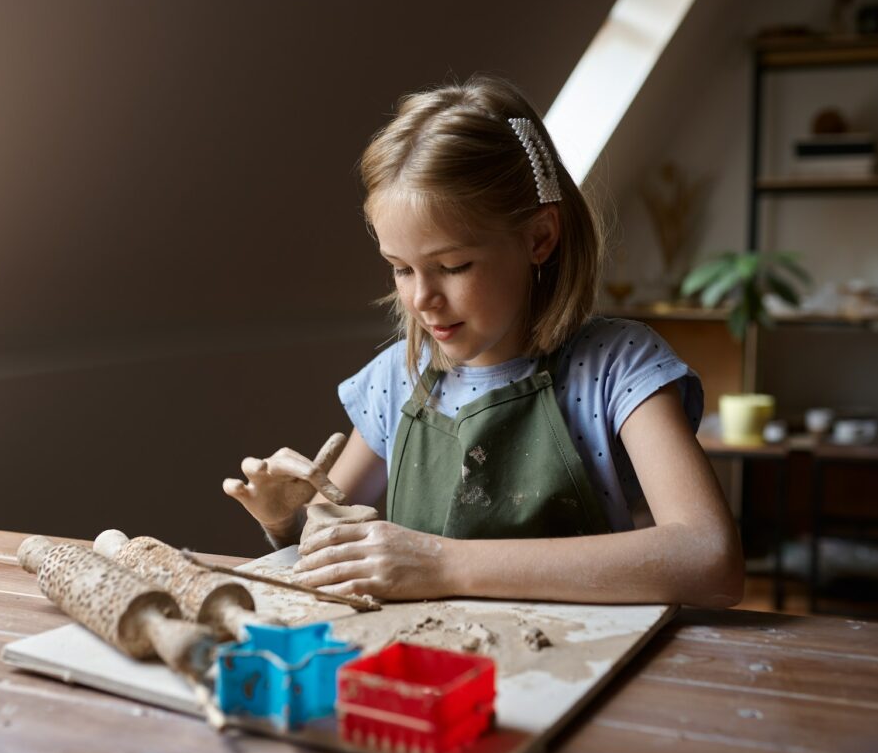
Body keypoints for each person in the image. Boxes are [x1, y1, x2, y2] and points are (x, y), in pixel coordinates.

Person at [223, 74, 743, 609]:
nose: (422, 299)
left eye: (453, 266)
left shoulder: (618, 368)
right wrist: (286, 519)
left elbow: (709, 559)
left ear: (539, 237)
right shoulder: (394, 380)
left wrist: (442, 564)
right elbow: (325, 547)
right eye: (401, 269)